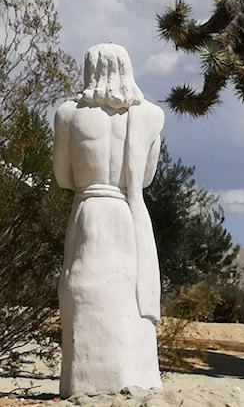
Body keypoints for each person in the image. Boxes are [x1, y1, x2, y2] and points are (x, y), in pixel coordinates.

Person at [53, 43, 165, 397]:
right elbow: (145, 178)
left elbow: (63, 178)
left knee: (84, 291)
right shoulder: (151, 115)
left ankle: (86, 382)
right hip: (128, 214)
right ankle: (130, 375)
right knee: (126, 300)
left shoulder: (68, 114)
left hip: (90, 211)